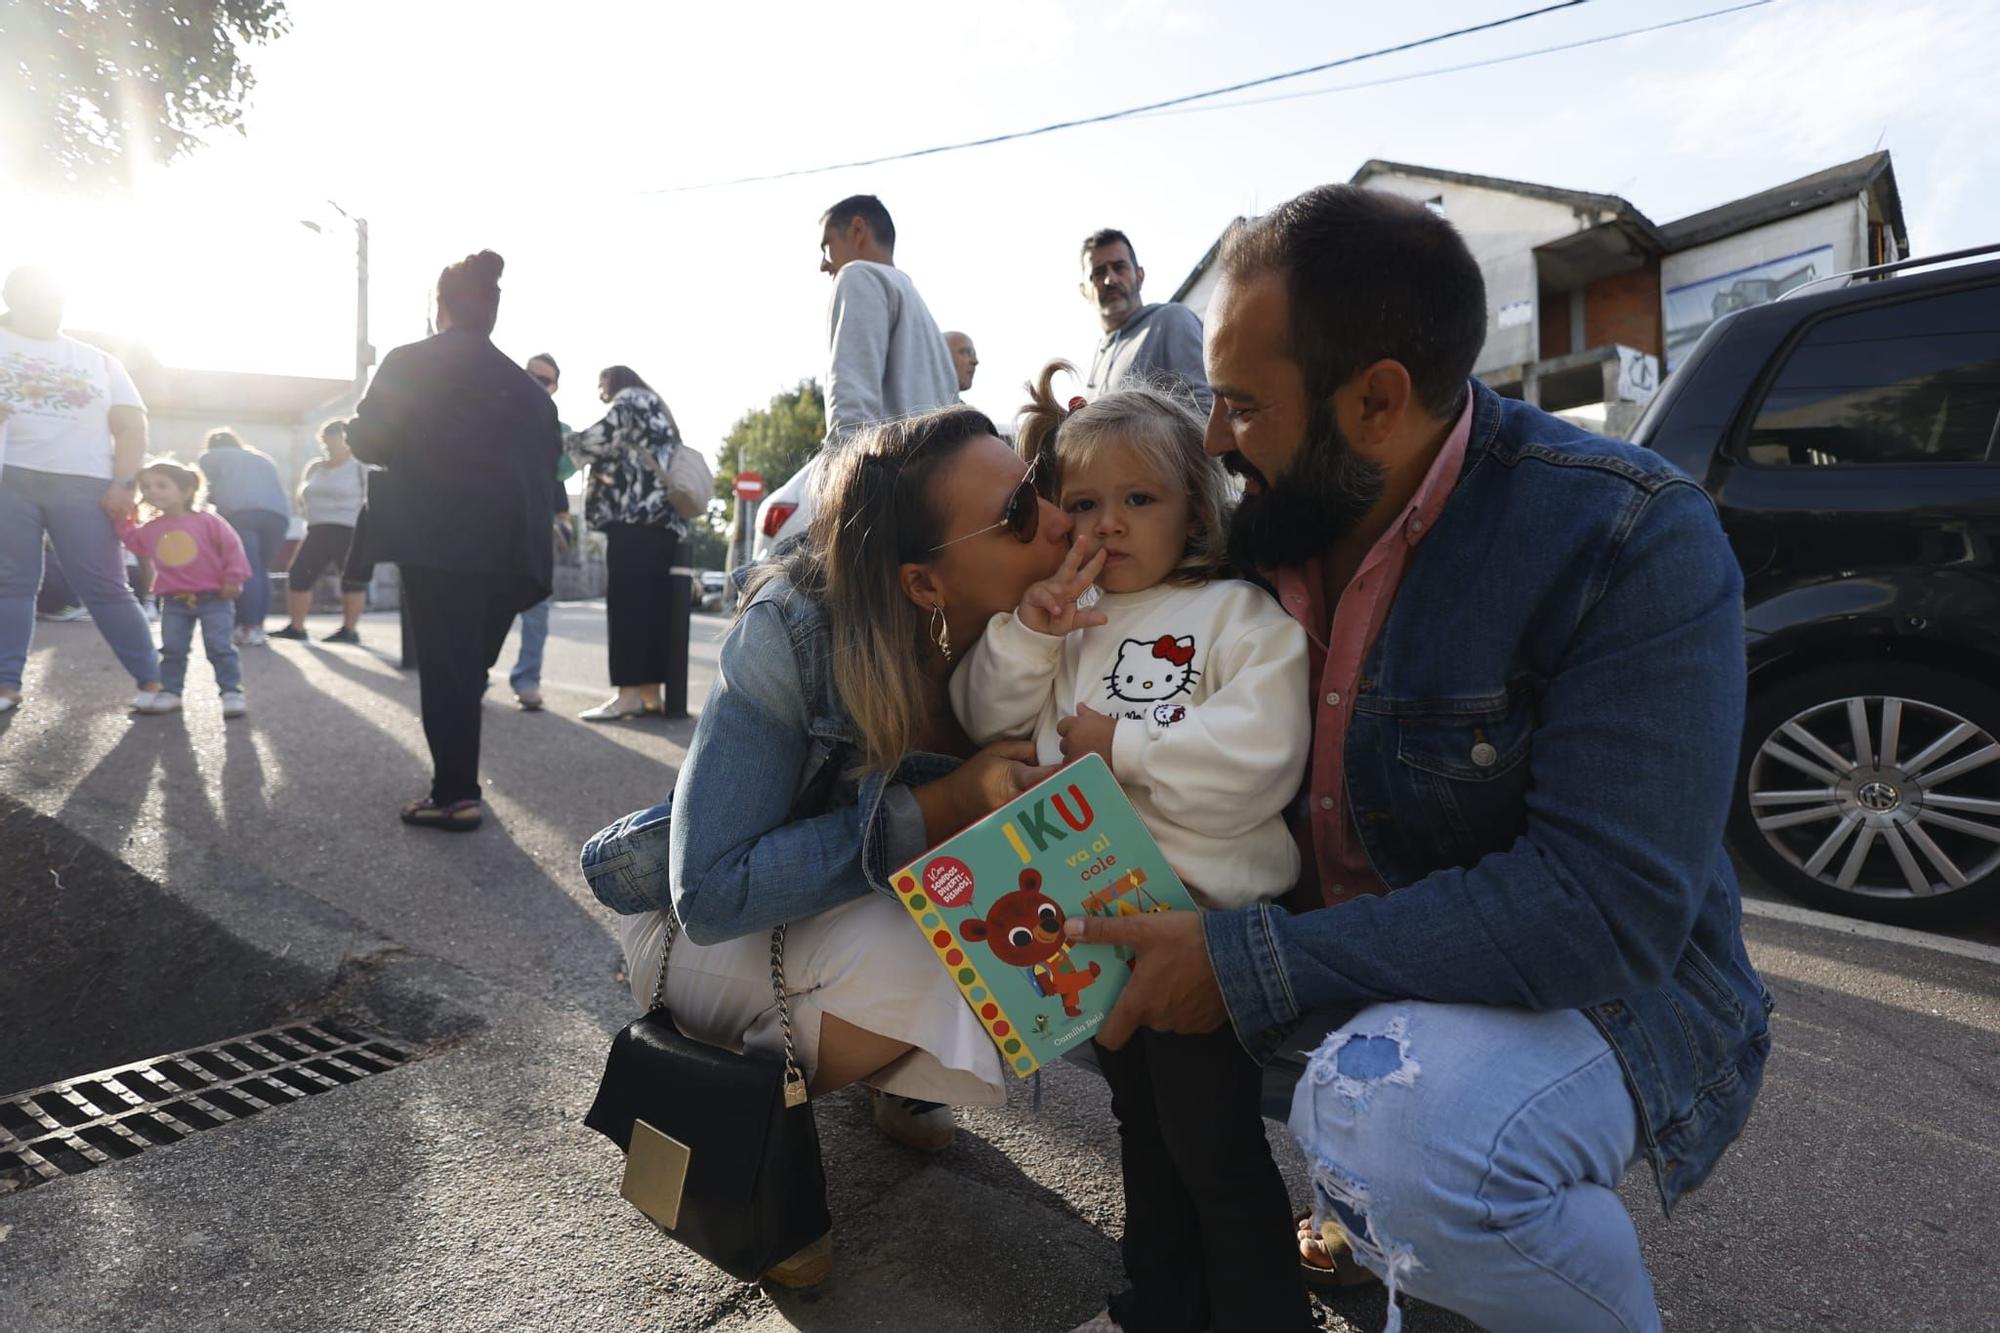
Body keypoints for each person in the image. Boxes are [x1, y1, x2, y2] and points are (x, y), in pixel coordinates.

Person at [1066, 185, 1771, 1333]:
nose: (1210, 440)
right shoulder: (1259, 535)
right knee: (1107, 989)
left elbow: (1607, 911)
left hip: (1597, 1002)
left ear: (1376, 401)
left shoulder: (1628, 535)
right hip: (1331, 963)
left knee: (1397, 1126)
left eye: (1240, 405)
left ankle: (1451, 1215)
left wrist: (1248, 964)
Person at [592, 404, 1076, 1288]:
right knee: (943, 957)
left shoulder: (1049, 622)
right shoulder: (794, 634)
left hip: (838, 918)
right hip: (706, 929)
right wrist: (940, 806)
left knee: (1029, 936)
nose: (1058, 516)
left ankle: (895, 1074)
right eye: (1018, 513)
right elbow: (709, 889)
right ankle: (741, 1137)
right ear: (924, 585)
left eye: (1040, 482)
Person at [953, 365, 1312, 1333]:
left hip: (1202, 926)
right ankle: (1159, 1302)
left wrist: (1124, 748)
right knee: (1141, 1131)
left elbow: (1262, 760)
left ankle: (1258, 1314)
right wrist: (1029, 634)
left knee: (1214, 1145)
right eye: (1082, 503)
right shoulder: (1068, 620)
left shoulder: (1236, 617)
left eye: (1138, 499)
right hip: (1093, 916)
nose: (1106, 524)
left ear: (1194, 508)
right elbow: (981, 712)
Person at [346, 250, 561, 831]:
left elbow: (370, 441)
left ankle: (456, 795)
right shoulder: (529, 392)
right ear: (492, 312)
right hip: (515, 551)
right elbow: (549, 472)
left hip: (440, 539)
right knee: (466, 669)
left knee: (448, 669)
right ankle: (458, 782)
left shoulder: (411, 362)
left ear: (440, 306)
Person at [0, 264, 167, 715]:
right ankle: (5, 685)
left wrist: (123, 484)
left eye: (55, 297)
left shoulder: (98, 360)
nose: (49, 305)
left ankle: (155, 683)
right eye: (38, 296)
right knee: (10, 583)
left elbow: (131, 425)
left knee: (106, 586)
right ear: (12, 298)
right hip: (6, 479)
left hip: (85, 483)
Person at [563, 365, 688, 722]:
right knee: (653, 608)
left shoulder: (628, 399)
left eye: (601, 384)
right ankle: (651, 692)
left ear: (614, 381)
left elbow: (599, 438)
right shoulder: (658, 407)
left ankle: (628, 695)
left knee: (627, 606)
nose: (600, 391)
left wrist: (557, 444)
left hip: (633, 521)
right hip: (664, 524)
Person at [818, 195, 960, 445]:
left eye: (827, 246)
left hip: (883, 473)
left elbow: (852, 405)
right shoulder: (917, 306)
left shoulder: (858, 276)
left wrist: (845, 473)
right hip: (929, 475)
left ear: (857, 230)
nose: (823, 264)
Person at [117, 459, 252, 718]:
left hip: (215, 597)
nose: (152, 491)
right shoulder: (152, 528)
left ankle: (231, 693)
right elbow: (134, 542)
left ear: (187, 490)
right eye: (146, 487)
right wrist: (123, 518)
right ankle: (171, 692)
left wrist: (233, 578)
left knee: (220, 648)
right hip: (174, 600)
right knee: (173, 649)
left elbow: (232, 549)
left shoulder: (209, 522)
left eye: (161, 485)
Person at [505, 351, 576, 710]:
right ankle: (476, 675)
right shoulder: (497, 412)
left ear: (555, 387)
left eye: (543, 379)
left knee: (535, 609)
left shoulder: (556, 429)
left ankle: (526, 679)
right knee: (489, 605)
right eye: (529, 374)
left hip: (536, 529)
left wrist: (563, 520)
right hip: (495, 522)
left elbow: (558, 481)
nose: (534, 382)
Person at [1081, 229, 1210, 411]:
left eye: (1119, 267)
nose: (1110, 280)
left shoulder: (1170, 320)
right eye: (1099, 273)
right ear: (1084, 290)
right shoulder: (1089, 370)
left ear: (1140, 276)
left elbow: (1206, 409)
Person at [272, 419, 369, 644]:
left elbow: (368, 499)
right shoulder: (315, 467)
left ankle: (349, 630)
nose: (330, 444)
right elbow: (303, 496)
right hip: (316, 528)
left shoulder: (358, 467)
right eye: (326, 439)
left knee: (351, 579)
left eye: (335, 438)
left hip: (349, 528)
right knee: (298, 574)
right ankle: (296, 627)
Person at [195, 428, 291, 647]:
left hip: (240, 513)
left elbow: (204, 490)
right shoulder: (262, 459)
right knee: (260, 570)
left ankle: (246, 626)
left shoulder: (209, 457)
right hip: (278, 516)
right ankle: (256, 626)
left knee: (246, 570)